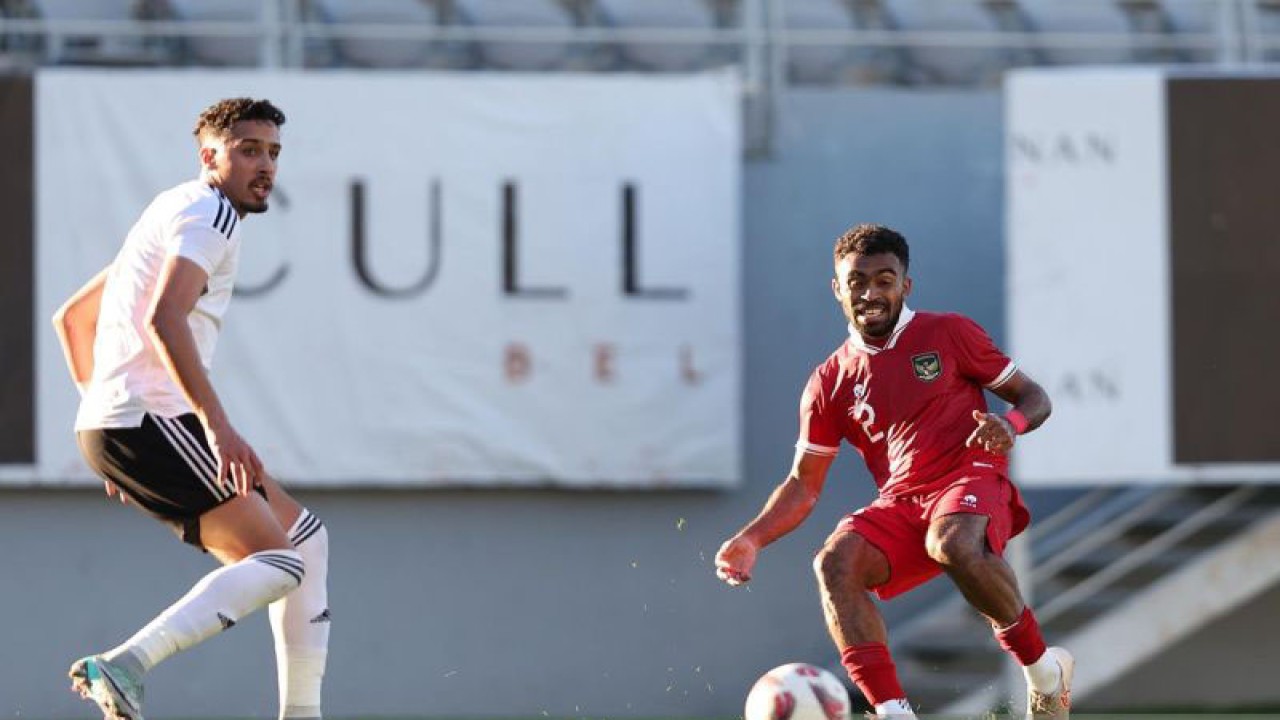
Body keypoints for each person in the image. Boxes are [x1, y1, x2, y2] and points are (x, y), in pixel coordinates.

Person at [714, 224, 1073, 719]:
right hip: (903, 500)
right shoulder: (828, 382)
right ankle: (894, 712)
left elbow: (1035, 397)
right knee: (835, 563)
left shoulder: (948, 333)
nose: (870, 293)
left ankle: (1046, 677)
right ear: (837, 289)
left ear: (905, 285)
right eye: (857, 281)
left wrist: (1010, 425)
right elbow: (803, 484)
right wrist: (752, 538)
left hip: (969, 475)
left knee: (951, 543)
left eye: (884, 280)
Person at [52, 98, 330, 720]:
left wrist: (105, 416)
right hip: (154, 419)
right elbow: (163, 319)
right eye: (248, 150)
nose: (265, 166)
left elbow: (71, 320)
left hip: (127, 421)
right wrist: (215, 426)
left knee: (305, 540)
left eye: (273, 153)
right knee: (280, 561)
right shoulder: (213, 215)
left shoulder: (171, 207)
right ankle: (125, 664)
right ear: (210, 155)